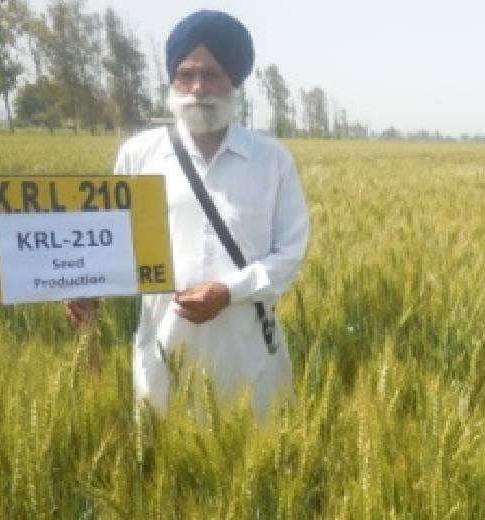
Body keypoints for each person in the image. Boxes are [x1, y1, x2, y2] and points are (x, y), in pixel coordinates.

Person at [67, 10, 310, 420]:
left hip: (247, 350)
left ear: (234, 81)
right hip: (164, 346)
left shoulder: (271, 160)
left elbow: (290, 253)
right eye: (186, 74)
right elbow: (111, 240)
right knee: (163, 454)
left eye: (212, 74)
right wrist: (86, 286)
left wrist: (228, 291)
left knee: (254, 448)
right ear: (172, 81)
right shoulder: (140, 154)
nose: (198, 88)